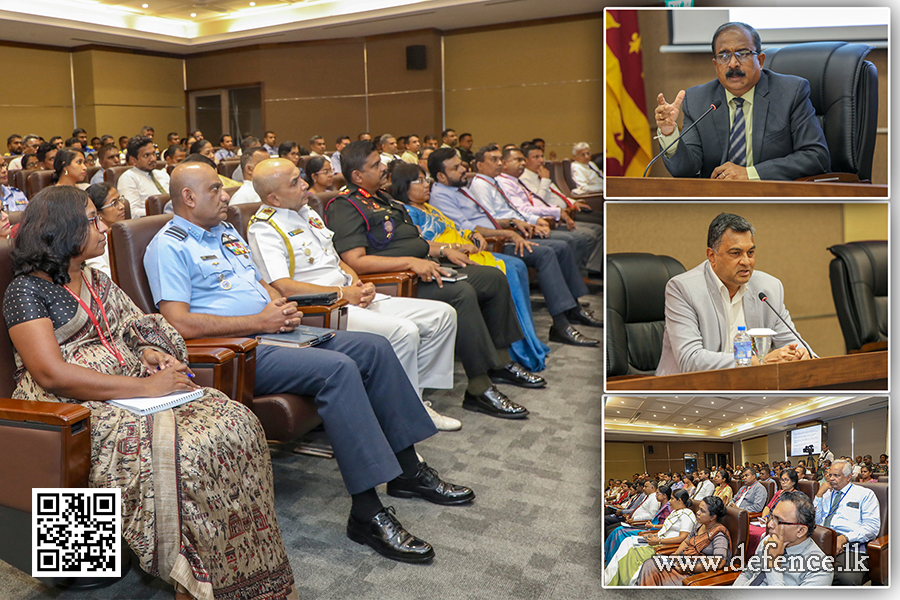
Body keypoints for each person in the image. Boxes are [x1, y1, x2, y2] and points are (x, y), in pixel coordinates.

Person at [145, 161, 474, 564]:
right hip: (237, 352)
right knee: (339, 370)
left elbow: (258, 283)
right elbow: (177, 323)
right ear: (189, 197)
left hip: (271, 331)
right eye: (215, 189)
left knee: (375, 348)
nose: (227, 195)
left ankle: (408, 471)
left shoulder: (226, 230)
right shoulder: (169, 245)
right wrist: (258, 321)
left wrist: (277, 305)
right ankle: (367, 513)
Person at [3, 187, 297, 600]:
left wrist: (150, 350)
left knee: (238, 423)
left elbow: (134, 326)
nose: (103, 226)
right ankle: (193, 579)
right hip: (73, 407)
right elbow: (51, 374)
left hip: (134, 389)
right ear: (62, 228)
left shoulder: (95, 278)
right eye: (92, 219)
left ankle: (245, 575)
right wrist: (146, 386)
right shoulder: (25, 291)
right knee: (188, 452)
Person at [324, 141, 542, 420]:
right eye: (376, 165)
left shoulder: (385, 199)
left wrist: (442, 249)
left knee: (493, 278)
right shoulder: (345, 206)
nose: (384, 167)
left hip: (425, 266)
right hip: (396, 280)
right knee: (462, 293)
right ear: (357, 176)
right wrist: (411, 262)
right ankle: (478, 387)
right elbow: (355, 260)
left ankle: (500, 362)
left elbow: (414, 241)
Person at [247, 158, 461, 431]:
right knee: (403, 332)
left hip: (350, 296)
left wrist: (359, 284)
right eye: (294, 183)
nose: (304, 185)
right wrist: (342, 293)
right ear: (274, 197)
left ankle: (414, 401)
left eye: (300, 177)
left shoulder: (307, 212)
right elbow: (283, 287)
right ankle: (398, 420)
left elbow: (335, 259)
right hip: (322, 311)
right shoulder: (265, 228)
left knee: (442, 316)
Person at [428, 146, 601, 346]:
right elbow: (468, 228)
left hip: (500, 236)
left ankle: (573, 308)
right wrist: (507, 233)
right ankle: (561, 325)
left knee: (561, 247)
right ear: (440, 176)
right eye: (455, 168)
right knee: (545, 254)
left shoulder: (460, 188)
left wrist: (511, 222)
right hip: (487, 247)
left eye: (461, 165)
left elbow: (488, 217)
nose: (463, 169)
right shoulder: (442, 196)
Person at [393, 162, 550, 372]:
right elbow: (422, 244)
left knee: (517, 267)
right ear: (404, 186)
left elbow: (455, 228)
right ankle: (515, 351)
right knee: (505, 272)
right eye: (419, 181)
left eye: (426, 180)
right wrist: (457, 245)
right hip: (447, 259)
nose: (426, 185)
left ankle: (524, 342)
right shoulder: (406, 212)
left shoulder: (428, 207)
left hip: (466, 250)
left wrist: (473, 234)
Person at [654, 21, 829, 181]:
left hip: (773, 197)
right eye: (724, 56)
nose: (733, 64)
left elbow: (816, 157)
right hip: (717, 199)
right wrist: (669, 133)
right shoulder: (698, 100)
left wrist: (750, 174)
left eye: (743, 54)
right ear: (716, 65)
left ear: (760, 61)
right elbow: (685, 170)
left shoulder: (790, 92)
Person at [655, 212, 813, 376]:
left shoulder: (768, 289)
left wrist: (801, 354)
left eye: (750, 253)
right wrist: (756, 362)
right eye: (736, 253)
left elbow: (792, 342)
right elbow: (691, 360)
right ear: (712, 256)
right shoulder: (683, 289)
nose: (746, 262)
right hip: (687, 391)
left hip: (749, 389)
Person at [497, 146, 603, 274]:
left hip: (551, 216)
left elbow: (552, 197)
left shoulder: (517, 180)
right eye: (536, 157)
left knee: (597, 226)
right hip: (534, 224)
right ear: (504, 164)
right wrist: (556, 211)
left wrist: (568, 205)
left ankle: (580, 274)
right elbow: (525, 208)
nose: (541, 160)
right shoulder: (514, 180)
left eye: (542, 156)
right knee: (577, 238)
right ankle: (575, 275)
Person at [733, 491, 833, 586]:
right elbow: (747, 574)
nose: (770, 524)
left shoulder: (821, 568)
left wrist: (773, 564)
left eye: (779, 521)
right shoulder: (768, 540)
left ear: (800, 531)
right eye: (771, 517)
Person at [605, 489, 697, 586]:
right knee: (627, 541)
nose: (669, 501)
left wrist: (659, 540)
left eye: (672, 499)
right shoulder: (676, 512)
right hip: (659, 539)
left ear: (680, 501)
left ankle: (626, 582)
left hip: (665, 546)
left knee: (631, 551)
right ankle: (612, 575)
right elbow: (667, 527)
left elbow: (683, 538)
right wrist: (655, 535)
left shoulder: (687, 515)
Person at [637, 496, 732, 586]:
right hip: (683, 562)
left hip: (697, 574)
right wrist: (676, 553)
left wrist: (688, 568)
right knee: (649, 564)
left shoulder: (719, 535)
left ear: (713, 517)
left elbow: (719, 562)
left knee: (652, 569)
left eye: (702, 511)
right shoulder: (699, 525)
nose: (697, 513)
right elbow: (686, 541)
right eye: (698, 509)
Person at [814, 460, 880, 585]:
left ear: (848, 477)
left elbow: (872, 527)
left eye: (836, 475)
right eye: (830, 475)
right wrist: (818, 495)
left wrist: (845, 538)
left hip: (851, 546)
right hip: (822, 541)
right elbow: (816, 521)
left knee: (845, 578)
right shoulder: (827, 494)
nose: (831, 479)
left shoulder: (864, 494)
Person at [605, 484, 673, 565]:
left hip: (654, 530)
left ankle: (614, 561)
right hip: (650, 527)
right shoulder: (661, 504)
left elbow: (667, 525)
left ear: (665, 495)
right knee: (617, 530)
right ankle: (610, 557)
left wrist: (652, 526)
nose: (656, 495)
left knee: (620, 532)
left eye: (658, 494)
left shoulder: (667, 507)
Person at [116, 135, 170, 218]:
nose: (152, 159)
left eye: (153, 154)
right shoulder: (128, 178)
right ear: (133, 160)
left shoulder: (162, 174)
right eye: (146, 156)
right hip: (152, 224)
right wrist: (161, 211)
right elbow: (132, 212)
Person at [84, 183, 127, 276]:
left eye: (120, 200)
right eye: (114, 203)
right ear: (97, 213)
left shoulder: (128, 233)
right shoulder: (94, 242)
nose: (122, 206)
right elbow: (106, 278)